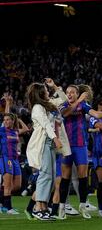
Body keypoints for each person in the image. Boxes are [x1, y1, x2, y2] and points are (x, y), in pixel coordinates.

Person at [58, 85, 102, 219]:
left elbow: (95, 114)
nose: (69, 94)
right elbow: (66, 113)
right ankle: (62, 208)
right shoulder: (63, 105)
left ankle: (82, 206)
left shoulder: (83, 105)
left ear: (77, 93)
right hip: (66, 146)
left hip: (81, 146)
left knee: (83, 178)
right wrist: (79, 100)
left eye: (72, 92)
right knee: (65, 178)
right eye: (68, 92)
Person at [26, 81, 67, 220]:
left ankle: (43, 207)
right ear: (40, 93)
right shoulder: (38, 107)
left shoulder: (47, 105)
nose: (48, 91)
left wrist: (55, 86)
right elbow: (45, 125)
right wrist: (55, 138)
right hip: (43, 143)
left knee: (50, 175)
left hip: (49, 143)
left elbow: (64, 100)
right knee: (45, 174)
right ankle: (38, 207)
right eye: (46, 89)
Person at [0, 109, 29, 214]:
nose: (6, 121)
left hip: (15, 159)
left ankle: (2, 201)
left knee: (17, 185)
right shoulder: (2, 131)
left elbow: (26, 129)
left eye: (8, 120)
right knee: (7, 185)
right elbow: (5, 117)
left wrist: (19, 119)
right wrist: (7, 105)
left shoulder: (15, 131)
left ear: (12, 121)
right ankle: (8, 208)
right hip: (5, 158)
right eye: (5, 120)